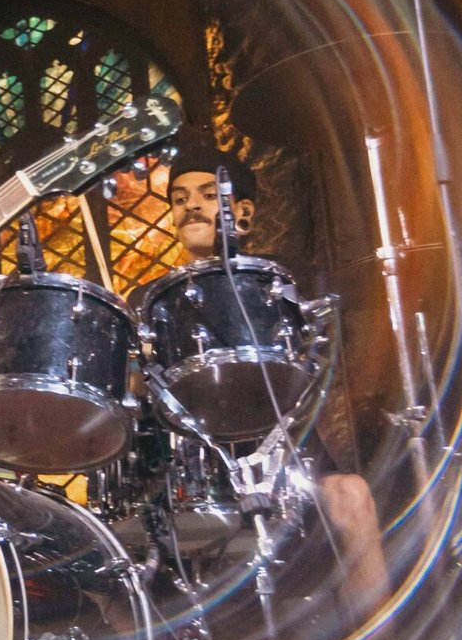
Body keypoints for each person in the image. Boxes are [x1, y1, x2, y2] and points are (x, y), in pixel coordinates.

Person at [147, 139, 389, 613]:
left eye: (208, 195)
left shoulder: (276, 285)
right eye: (179, 198)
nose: (191, 206)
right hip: (193, 465)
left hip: (282, 453)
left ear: (244, 212)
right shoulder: (151, 300)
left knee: (352, 495)